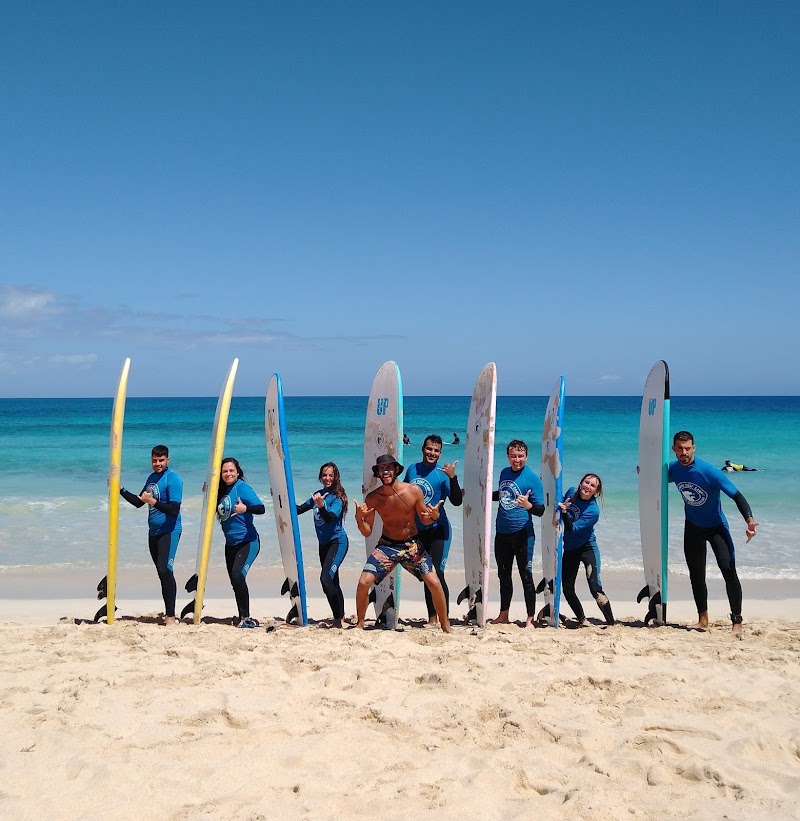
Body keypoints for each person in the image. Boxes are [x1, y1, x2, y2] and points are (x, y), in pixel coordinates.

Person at [670, 431, 759, 636]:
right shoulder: (673, 469)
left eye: (687, 448)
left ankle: (737, 621)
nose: (684, 452)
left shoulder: (708, 471)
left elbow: (737, 496)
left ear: (694, 448)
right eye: (680, 448)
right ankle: (703, 619)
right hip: (692, 527)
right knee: (696, 574)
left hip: (717, 527)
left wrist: (750, 521)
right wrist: (644, 471)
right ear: (674, 449)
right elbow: (655, 479)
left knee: (728, 570)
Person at [354, 454, 451, 632]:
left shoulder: (413, 491)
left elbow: (425, 519)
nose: (386, 471)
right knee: (363, 583)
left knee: (435, 583)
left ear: (397, 470)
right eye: (382, 469)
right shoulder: (373, 498)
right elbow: (367, 532)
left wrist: (434, 516)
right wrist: (359, 519)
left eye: (389, 468)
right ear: (378, 472)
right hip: (386, 546)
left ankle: (445, 625)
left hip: (411, 545)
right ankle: (360, 623)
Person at [403, 435, 463, 625]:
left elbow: (456, 501)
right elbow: (403, 494)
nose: (432, 453)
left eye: (436, 450)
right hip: (419, 531)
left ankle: (443, 618)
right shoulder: (412, 469)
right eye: (429, 449)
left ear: (440, 453)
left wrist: (453, 478)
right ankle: (431, 618)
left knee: (437, 572)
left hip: (439, 530)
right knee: (425, 573)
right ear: (423, 449)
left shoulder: (442, 474)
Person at [120, 445, 183, 626]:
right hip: (153, 533)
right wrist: (121, 489)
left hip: (170, 531)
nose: (157, 464)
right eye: (154, 460)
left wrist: (153, 502)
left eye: (161, 460)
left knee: (165, 570)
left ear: (167, 460)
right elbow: (139, 503)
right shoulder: (151, 478)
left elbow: (174, 509)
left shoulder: (173, 479)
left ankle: (171, 616)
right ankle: (168, 612)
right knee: (161, 573)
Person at [490, 440, 545, 628]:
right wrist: (482, 492)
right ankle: (503, 614)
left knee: (526, 575)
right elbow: (503, 494)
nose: (517, 460)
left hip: (523, 534)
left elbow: (541, 510)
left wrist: (528, 506)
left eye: (520, 456)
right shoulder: (504, 473)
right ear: (508, 456)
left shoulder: (531, 478)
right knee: (503, 576)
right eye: (513, 456)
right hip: (502, 533)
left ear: (526, 457)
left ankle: (530, 618)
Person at [296, 462, 350, 628]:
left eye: (330, 475)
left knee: (325, 579)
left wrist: (321, 506)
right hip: (324, 545)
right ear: (320, 477)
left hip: (337, 542)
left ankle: (338, 617)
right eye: (324, 475)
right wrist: (280, 497)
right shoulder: (318, 494)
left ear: (335, 477)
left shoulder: (337, 497)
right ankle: (339, 617)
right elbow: (298, 510)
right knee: (333, 582)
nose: (327, 478)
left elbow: (330, 517)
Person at [558, 474, 615, 626]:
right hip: (570, 548)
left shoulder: (593, 511)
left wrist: (564, 513)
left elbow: (572, 529)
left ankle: (611, 623)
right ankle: (582, 619)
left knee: (595, 589)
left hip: (587, 548)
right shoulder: (571, 493)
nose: (587, 486)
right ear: (581, 482)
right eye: (586, 482)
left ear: (596, 491)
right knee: (567, 588)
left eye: (592, 485)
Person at [216, 457, 265, 628]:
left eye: (231, 470)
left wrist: (246, 509)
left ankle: (246, 618)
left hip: (248, 541)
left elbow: (261, 508)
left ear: (237, 472)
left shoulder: (242, 488)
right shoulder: (221, 491)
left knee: (238, 576)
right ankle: (241, 616)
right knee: (235, 581)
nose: (228, 473)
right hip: (230, 544)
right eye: (225, 471)